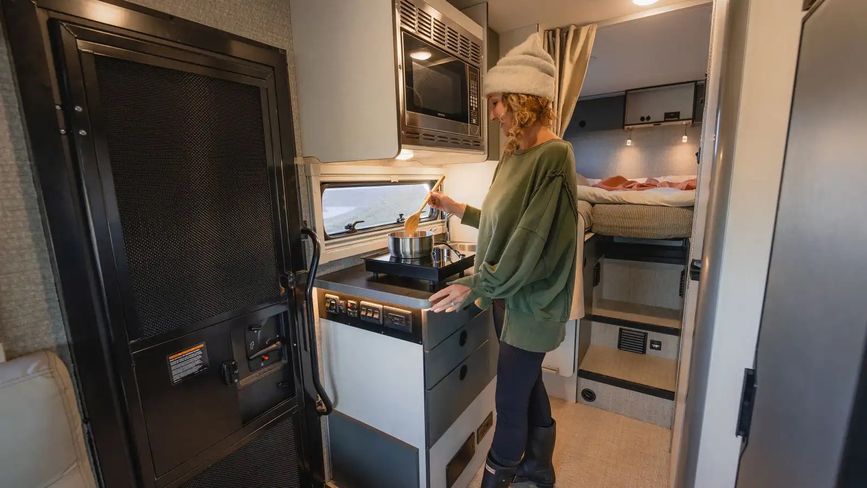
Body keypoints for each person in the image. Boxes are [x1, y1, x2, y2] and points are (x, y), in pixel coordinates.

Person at [428, 33, 579, 488]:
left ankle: (501, 478)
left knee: (509, 401)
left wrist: (475, 285)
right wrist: (456, 208)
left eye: (498, 103)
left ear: (523, 100)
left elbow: (528, 244)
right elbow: (503, 224)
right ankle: (538, 470)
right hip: (505, 301)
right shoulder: (513, 158)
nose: (494, 115)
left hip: (530, 306)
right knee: (528, 388)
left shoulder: (554, 157)